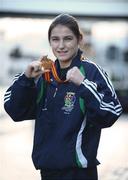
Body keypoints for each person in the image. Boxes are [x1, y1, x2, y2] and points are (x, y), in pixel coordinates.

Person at [4, 14, 122, 180]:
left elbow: (111, 113)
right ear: (50, 41)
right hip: (47, 172)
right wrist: (26, 79)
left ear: (79, 39)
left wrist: (83, 85)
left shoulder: (91, 72)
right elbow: (16, 112)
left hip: (79, 174)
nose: (61, 46)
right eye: (55, 39)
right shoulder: (43, 74)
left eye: (67, 39)